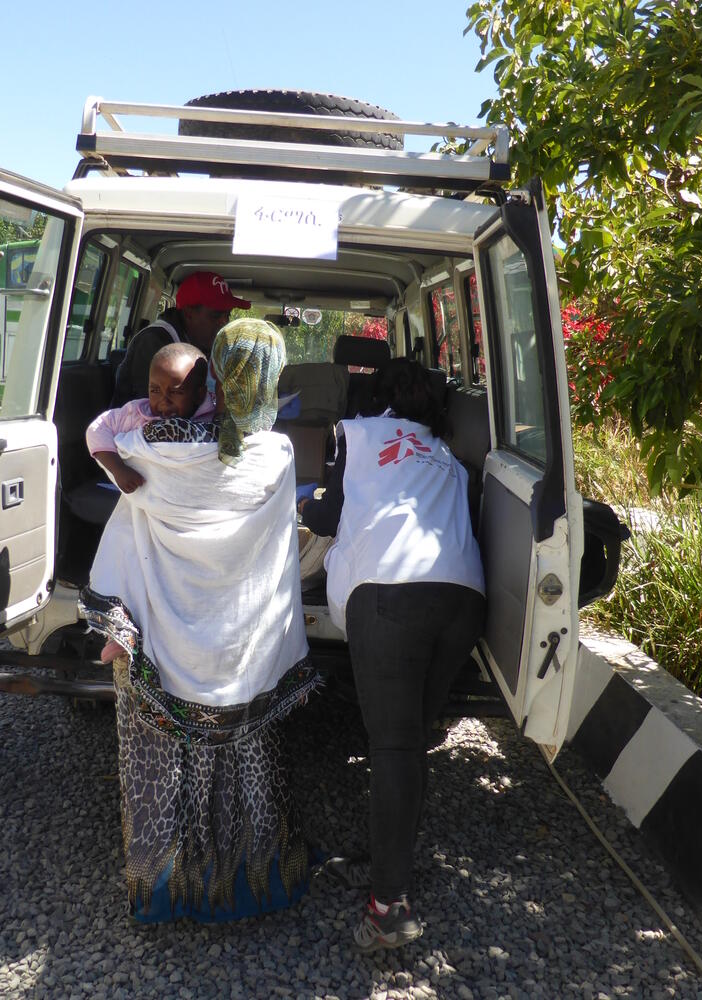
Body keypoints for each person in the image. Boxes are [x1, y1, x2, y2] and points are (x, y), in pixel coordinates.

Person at [80, 318, 319, 923]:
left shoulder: (144, 445)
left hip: (160, 642)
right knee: (246, 758)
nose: (160, 400)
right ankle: (253, 878)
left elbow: (105, 449)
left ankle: (163, 888)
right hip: (242, 650)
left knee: (160, 764)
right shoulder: (278, 455)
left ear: (212, 378)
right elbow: (279, 545)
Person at [300, 357, 486, 952]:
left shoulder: (356, 433)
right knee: (411, 740)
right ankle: (390, 868)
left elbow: (330, 513)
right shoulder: (450, 460)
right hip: (462, 598)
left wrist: (306, 509)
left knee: (395, 747)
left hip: (391, 594)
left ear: (373, 396)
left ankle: (388, 907)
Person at [86, 342, 215, 494]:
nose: (163, 401)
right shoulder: (136, 412)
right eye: (155, 390)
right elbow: (97, 429)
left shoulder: (214, 419)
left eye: (176, 392)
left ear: (199, 394)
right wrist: (118, 469)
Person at [110, 271, 251, 407]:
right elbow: (155, 413)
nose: (224, 323)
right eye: (215, 316)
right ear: (189, 313)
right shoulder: (154, 342)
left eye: (227, 315)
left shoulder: (204, 344)